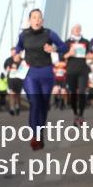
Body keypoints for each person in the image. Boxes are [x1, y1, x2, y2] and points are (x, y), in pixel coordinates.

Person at [15, 8, 66, 150]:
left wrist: (53, 49)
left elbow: (64, 46)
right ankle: (34, 136)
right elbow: (18, 47)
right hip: (30, 73)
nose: (36, 20)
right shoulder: (23, 35)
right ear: (29, 20)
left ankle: (39, 133)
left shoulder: (49, 34)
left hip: (46, 73)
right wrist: (16, 53)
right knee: (35, 102)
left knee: (43, 105)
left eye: (39, 18)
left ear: (42, 21)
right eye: (34, 17)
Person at [63, 23, 90, 126]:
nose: (78, 29)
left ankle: (81, 115)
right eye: (75, 28)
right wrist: (69, 53)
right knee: (73, 93)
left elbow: (90, 54)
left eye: (79, 28)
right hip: (71, 71)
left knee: (82, 92)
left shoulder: (86, 42)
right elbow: (62, 57)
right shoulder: (66, 43)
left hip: (83, 70)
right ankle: (75, 115)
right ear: (71, 30)